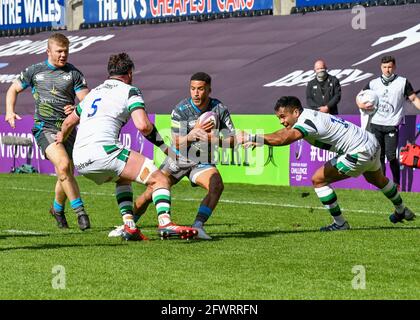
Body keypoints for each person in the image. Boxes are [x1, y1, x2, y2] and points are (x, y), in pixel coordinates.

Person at [56, 52, 197, 240]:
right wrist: (164, 148)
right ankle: (165, 223)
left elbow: (67, 123)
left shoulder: (92, 94)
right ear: (129, 73)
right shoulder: (130, 91)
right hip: (104, 153)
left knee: (123, 178)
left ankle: (129, 225)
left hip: (81, 160)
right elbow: (143, 125)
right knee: (159, 179)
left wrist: (60, 138)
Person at [237, 96, 415, 231]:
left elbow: (285, 138)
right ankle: (401, 209)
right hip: (371, 142)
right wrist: (262, 139)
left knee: (318, 180)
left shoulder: (307, 122)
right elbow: (285, 131)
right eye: (280, 119)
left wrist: (255, 137)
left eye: (284, 117)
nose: (283, 121)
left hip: (358, 151)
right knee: (377, 179)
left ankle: (340, 223)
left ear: (295, 113)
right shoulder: (307, 115)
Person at [116, 72, 236, 240]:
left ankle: (198, 227)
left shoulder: (219, 109)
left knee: (216, 185)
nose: (196, 93)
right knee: (150, 192)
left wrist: (210, 138)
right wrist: (194, 134)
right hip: (178, 158)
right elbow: (177, 143)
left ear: (209, 89)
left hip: (202, 161)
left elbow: (232, 140)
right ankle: (128, 225)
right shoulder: (181, 109)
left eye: (200, 89)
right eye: (193, 89)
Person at [5, 33, 90, 230]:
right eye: (59, 51)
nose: (63, 55)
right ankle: (81, 213)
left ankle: (57, 209)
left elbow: (86, 99)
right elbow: (13, 89)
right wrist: (10, 111)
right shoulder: (35, 71)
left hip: (67, 129)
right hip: (44, 128)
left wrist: (78, 107)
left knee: (65, 171)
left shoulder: (74, 73)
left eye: (66, 51)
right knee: (63, 164)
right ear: (48, 51)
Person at [357, 55, 420, 188]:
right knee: (378, 157)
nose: (387, 70)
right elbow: (359, 95)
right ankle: (382, 184)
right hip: (375, 124)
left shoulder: (402, 82)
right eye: (385, 67)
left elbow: (414, 99)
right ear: (381, 67)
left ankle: (396, 183)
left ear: (394, 67)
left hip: (392, 125)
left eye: (390, 67)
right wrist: (361, 105)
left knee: (391, 156)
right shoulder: (373, 83)